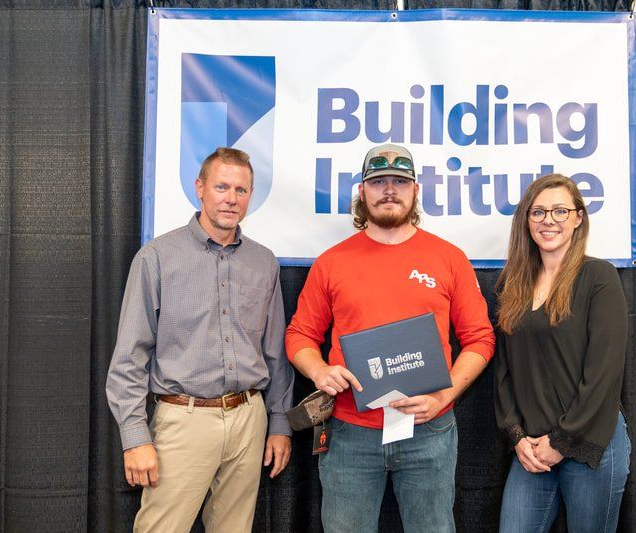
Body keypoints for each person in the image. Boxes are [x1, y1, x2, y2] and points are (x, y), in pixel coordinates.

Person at [285, 144, 495, 533]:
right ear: (362, 193)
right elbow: (300, 334)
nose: (389, 190)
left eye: (400, 181)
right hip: (350, 432)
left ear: (415, 190)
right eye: (378, 181)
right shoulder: (332, 262)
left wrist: (444, 396)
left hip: (428, 431)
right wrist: (318, 371)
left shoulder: (449, 258)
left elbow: (480, 339)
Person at [106, 147, 294, 532]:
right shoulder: (157, 257)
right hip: (183, 420)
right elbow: (129, 357)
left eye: (241, 190)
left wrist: (279, 423)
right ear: (200, 189)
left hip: (249, 418)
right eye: (222, 187)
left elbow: (275, 352)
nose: (231, 199)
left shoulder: (264, 262)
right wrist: (134, 436)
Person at [494, 174, 630, 532]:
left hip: (590, 444)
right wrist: (516, 436)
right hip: (533, 450)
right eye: (538, 212)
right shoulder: (513, 284)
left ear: (578, 218)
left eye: (559, 211)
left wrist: (562, 441)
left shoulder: (598, 277)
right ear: (526, 220)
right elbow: (505, 370)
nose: (548, 220)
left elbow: (605, 372)